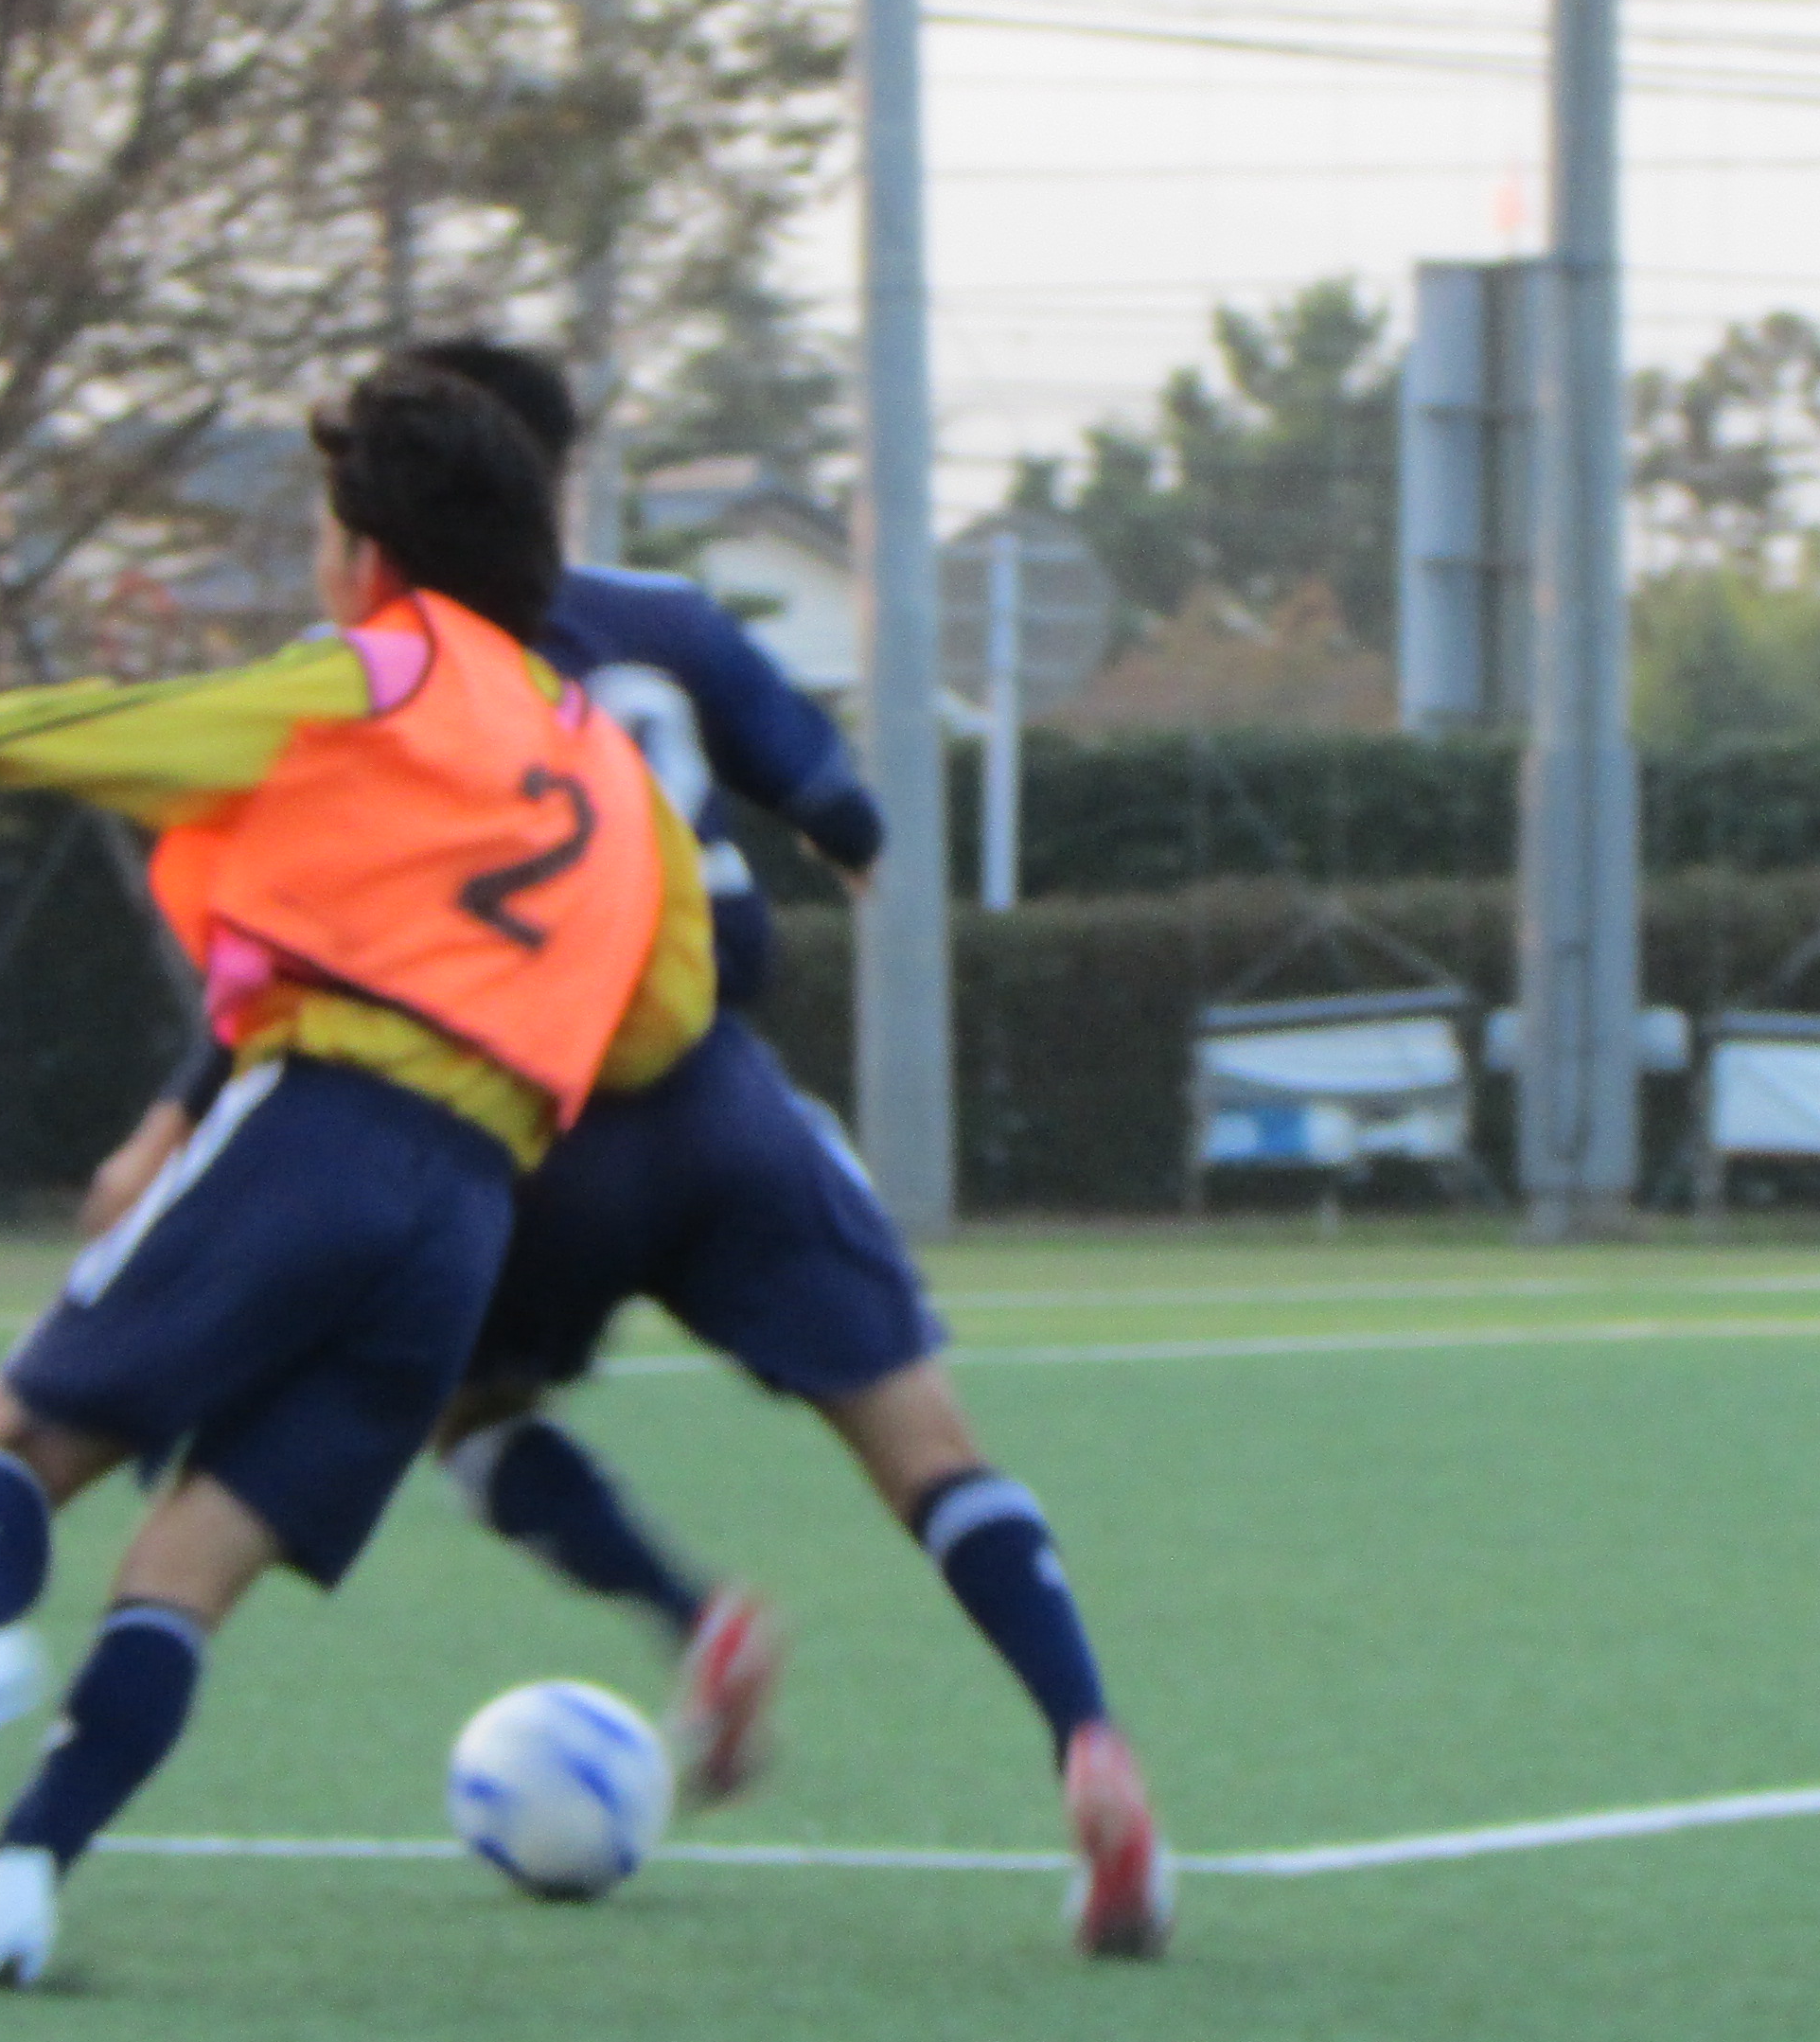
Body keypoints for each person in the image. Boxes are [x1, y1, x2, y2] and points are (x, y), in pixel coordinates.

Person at [78, 338, 1175, 1960]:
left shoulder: (364, 679)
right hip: (721, 1104)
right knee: (927, 1451)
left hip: (507, 1125)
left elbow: (295, 952)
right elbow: (847, 822)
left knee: (460, 1416)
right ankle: (1086, 1739)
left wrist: (172, 1121)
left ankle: (687, 1612)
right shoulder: (668, 624)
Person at [0, 360, 713, 1993]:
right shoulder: (611, 768)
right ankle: (13, 1884)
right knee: (190, 1574)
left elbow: (142, 737)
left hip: (318, 1127)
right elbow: (669, 1007)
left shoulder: (386, 668)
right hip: (466, 1216)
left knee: (15, 1438)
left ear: (371, 555)